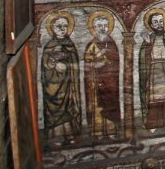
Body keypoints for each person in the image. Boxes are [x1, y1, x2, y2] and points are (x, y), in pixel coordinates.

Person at [41, 12, 81, 143]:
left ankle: (69, 134)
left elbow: (74, 62)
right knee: (55, 108)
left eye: (65, 26)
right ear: (52, 28)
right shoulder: (49, 46)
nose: (62, 29)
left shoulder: (70, 44)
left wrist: (67, 64)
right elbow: (46, 65)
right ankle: (55, 137)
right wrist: (53, 63)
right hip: (53, 84)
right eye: (59, 26)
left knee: (68, 106)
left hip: (67, 83)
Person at [84, 11, 121, 138]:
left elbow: (117, 59)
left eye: (105, 25)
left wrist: (108, 56)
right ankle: (97, 131)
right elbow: (87, 63)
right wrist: (97, 59)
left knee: (111, 103)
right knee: (97, 104)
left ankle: (111, 130)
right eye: (100, 26)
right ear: (94, 28)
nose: (103, 28)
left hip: (111, 79)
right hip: (96, 79)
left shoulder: (111, 43)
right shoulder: (92, 45)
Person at [139, 11, 165, 128]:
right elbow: (143, 57)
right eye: (155, 22)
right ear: (151, 25)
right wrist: (147, 44)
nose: (159, 24)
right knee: (153, 97)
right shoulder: (149, 39)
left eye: (161, 21)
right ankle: (153, 123)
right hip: (153, 71)